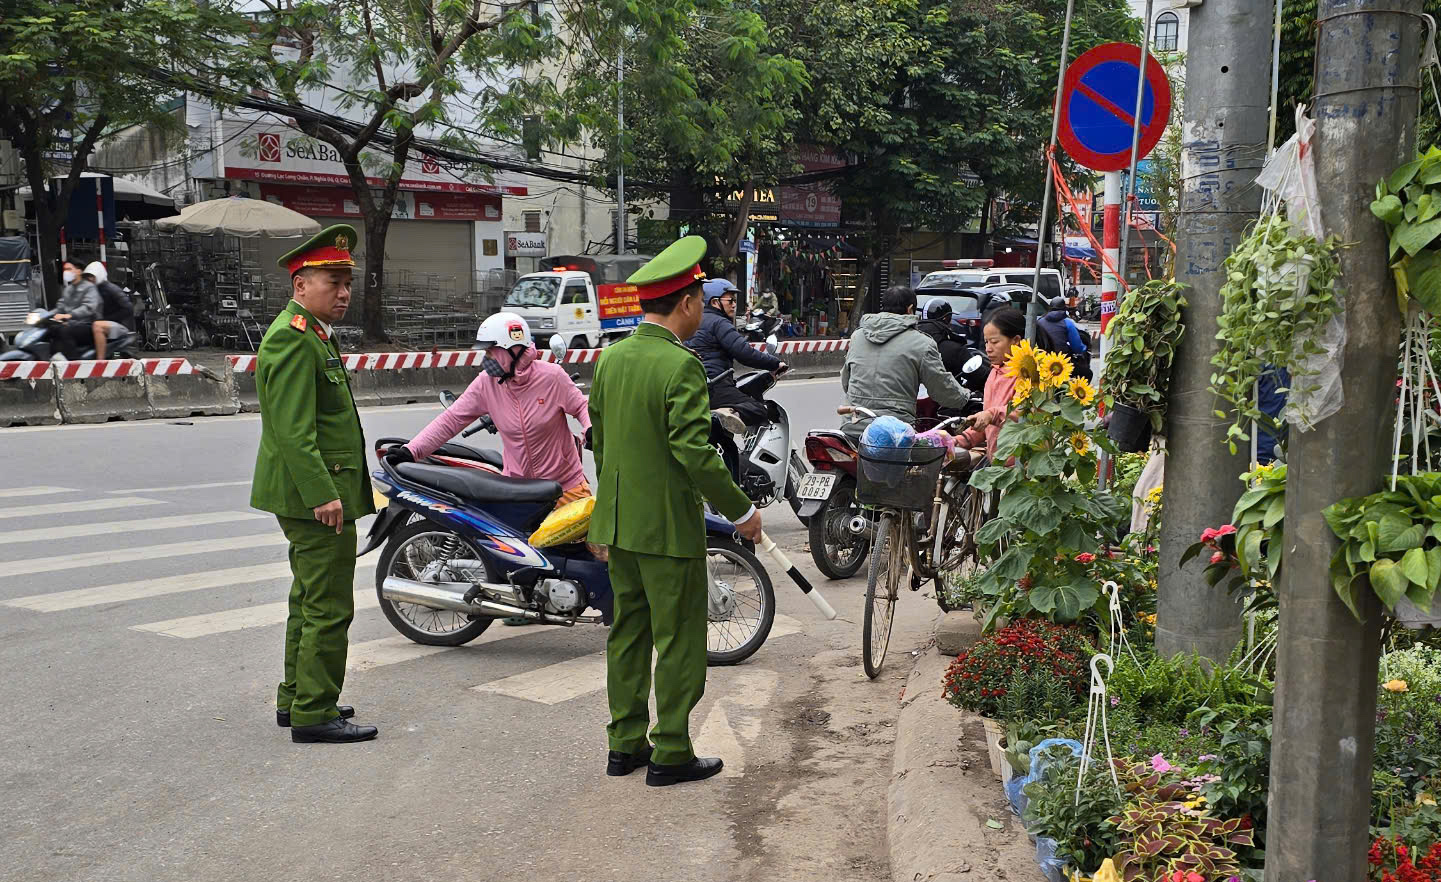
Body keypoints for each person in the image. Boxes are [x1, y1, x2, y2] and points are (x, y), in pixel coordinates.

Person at [588, 235, 762, 787]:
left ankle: (624, 745)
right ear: (687, 303)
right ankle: (670, 752)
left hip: (619, 525)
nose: (703, 313)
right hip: (666, 526)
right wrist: (740, 511)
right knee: (681, 638)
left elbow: (599, 440)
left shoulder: (611, 359)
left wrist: (603, 515)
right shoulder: (679, 366)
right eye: (702, 304)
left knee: (629, 634)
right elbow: (693, 450)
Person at [250, 224, 378, 745]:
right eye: (333, 281)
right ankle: (314, 712)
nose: (344, 292)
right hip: (316, 499)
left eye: (348, 282)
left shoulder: (313, 333)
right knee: (328, 605)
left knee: (308, 598)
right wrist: (323, 493)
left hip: (315, 494)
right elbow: (292, 430)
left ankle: (298, 697)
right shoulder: (293, 339)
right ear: (301, 284)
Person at [388, 311, 592, 625]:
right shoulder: (488, 383)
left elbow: (582, 406)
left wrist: (592, 429)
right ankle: (524, 606)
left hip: (565, 484)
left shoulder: (552, 377)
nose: (486, 359)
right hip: (516, 489)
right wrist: (412, 450)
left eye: (491, 350)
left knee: (593, 550)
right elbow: (452, 419)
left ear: (517, 349)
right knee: (516, 556)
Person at [840, 284, 970, 440]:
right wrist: (965, 398)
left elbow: (846, 381)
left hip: (852, 427)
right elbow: (942, 390)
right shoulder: (922, 343)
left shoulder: (858, 336)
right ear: (910, 309)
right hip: (896, 434)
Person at [685, 278, 784, 435]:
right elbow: (744, 353)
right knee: (759, 409)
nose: (733, 304)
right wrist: (775, 364)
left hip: (691, 388)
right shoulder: (720, 322)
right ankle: (729, 413)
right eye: (730, 300)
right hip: (715, 386)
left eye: (734, 300)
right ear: (715, 302)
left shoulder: (691, 321)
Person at [954, 308, 1025, 459]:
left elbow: (1022, 413)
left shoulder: (1028, 373)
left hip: (1020, 467)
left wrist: (990, 414)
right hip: (998, 464)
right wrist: (958, 441)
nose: (988, 349)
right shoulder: (995, 372)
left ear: (1016, 340)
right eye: (986, 342)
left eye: (994, 342)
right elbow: (989, 423)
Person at [81, 262, 135, 361]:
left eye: (91, 276)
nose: (89, 279)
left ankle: (100, 361)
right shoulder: (91, 290)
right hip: (103, 324)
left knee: (97, 326)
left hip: (119, 326)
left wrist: (108, 319)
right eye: (87, 276)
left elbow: (128, 308)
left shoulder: (111, 289)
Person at [51, 261, 101, 360]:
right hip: (71, 324)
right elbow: (60, 307)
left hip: (87, 325)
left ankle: (73, 363)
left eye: (69, 269)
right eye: (65, 270)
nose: (66, 272)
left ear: (78, 271)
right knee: (51, 329)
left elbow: (88, 307)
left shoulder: (89, 287)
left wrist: (69, 315)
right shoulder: (68, 289)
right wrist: (45, 315)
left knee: (64, 330)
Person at [1036, 295, 1093, 380]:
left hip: (1043, 363)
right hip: (1063, 364)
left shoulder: (1040, 322)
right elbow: (1077, 347)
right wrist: (1084, 349)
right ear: (1064, 309)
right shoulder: (1067, 323)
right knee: (1087, 373)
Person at [915, 298, 969, 380]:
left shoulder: (911, 339)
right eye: (950, 317)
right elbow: (980, 375)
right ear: (946, 319)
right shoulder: (954, 348)